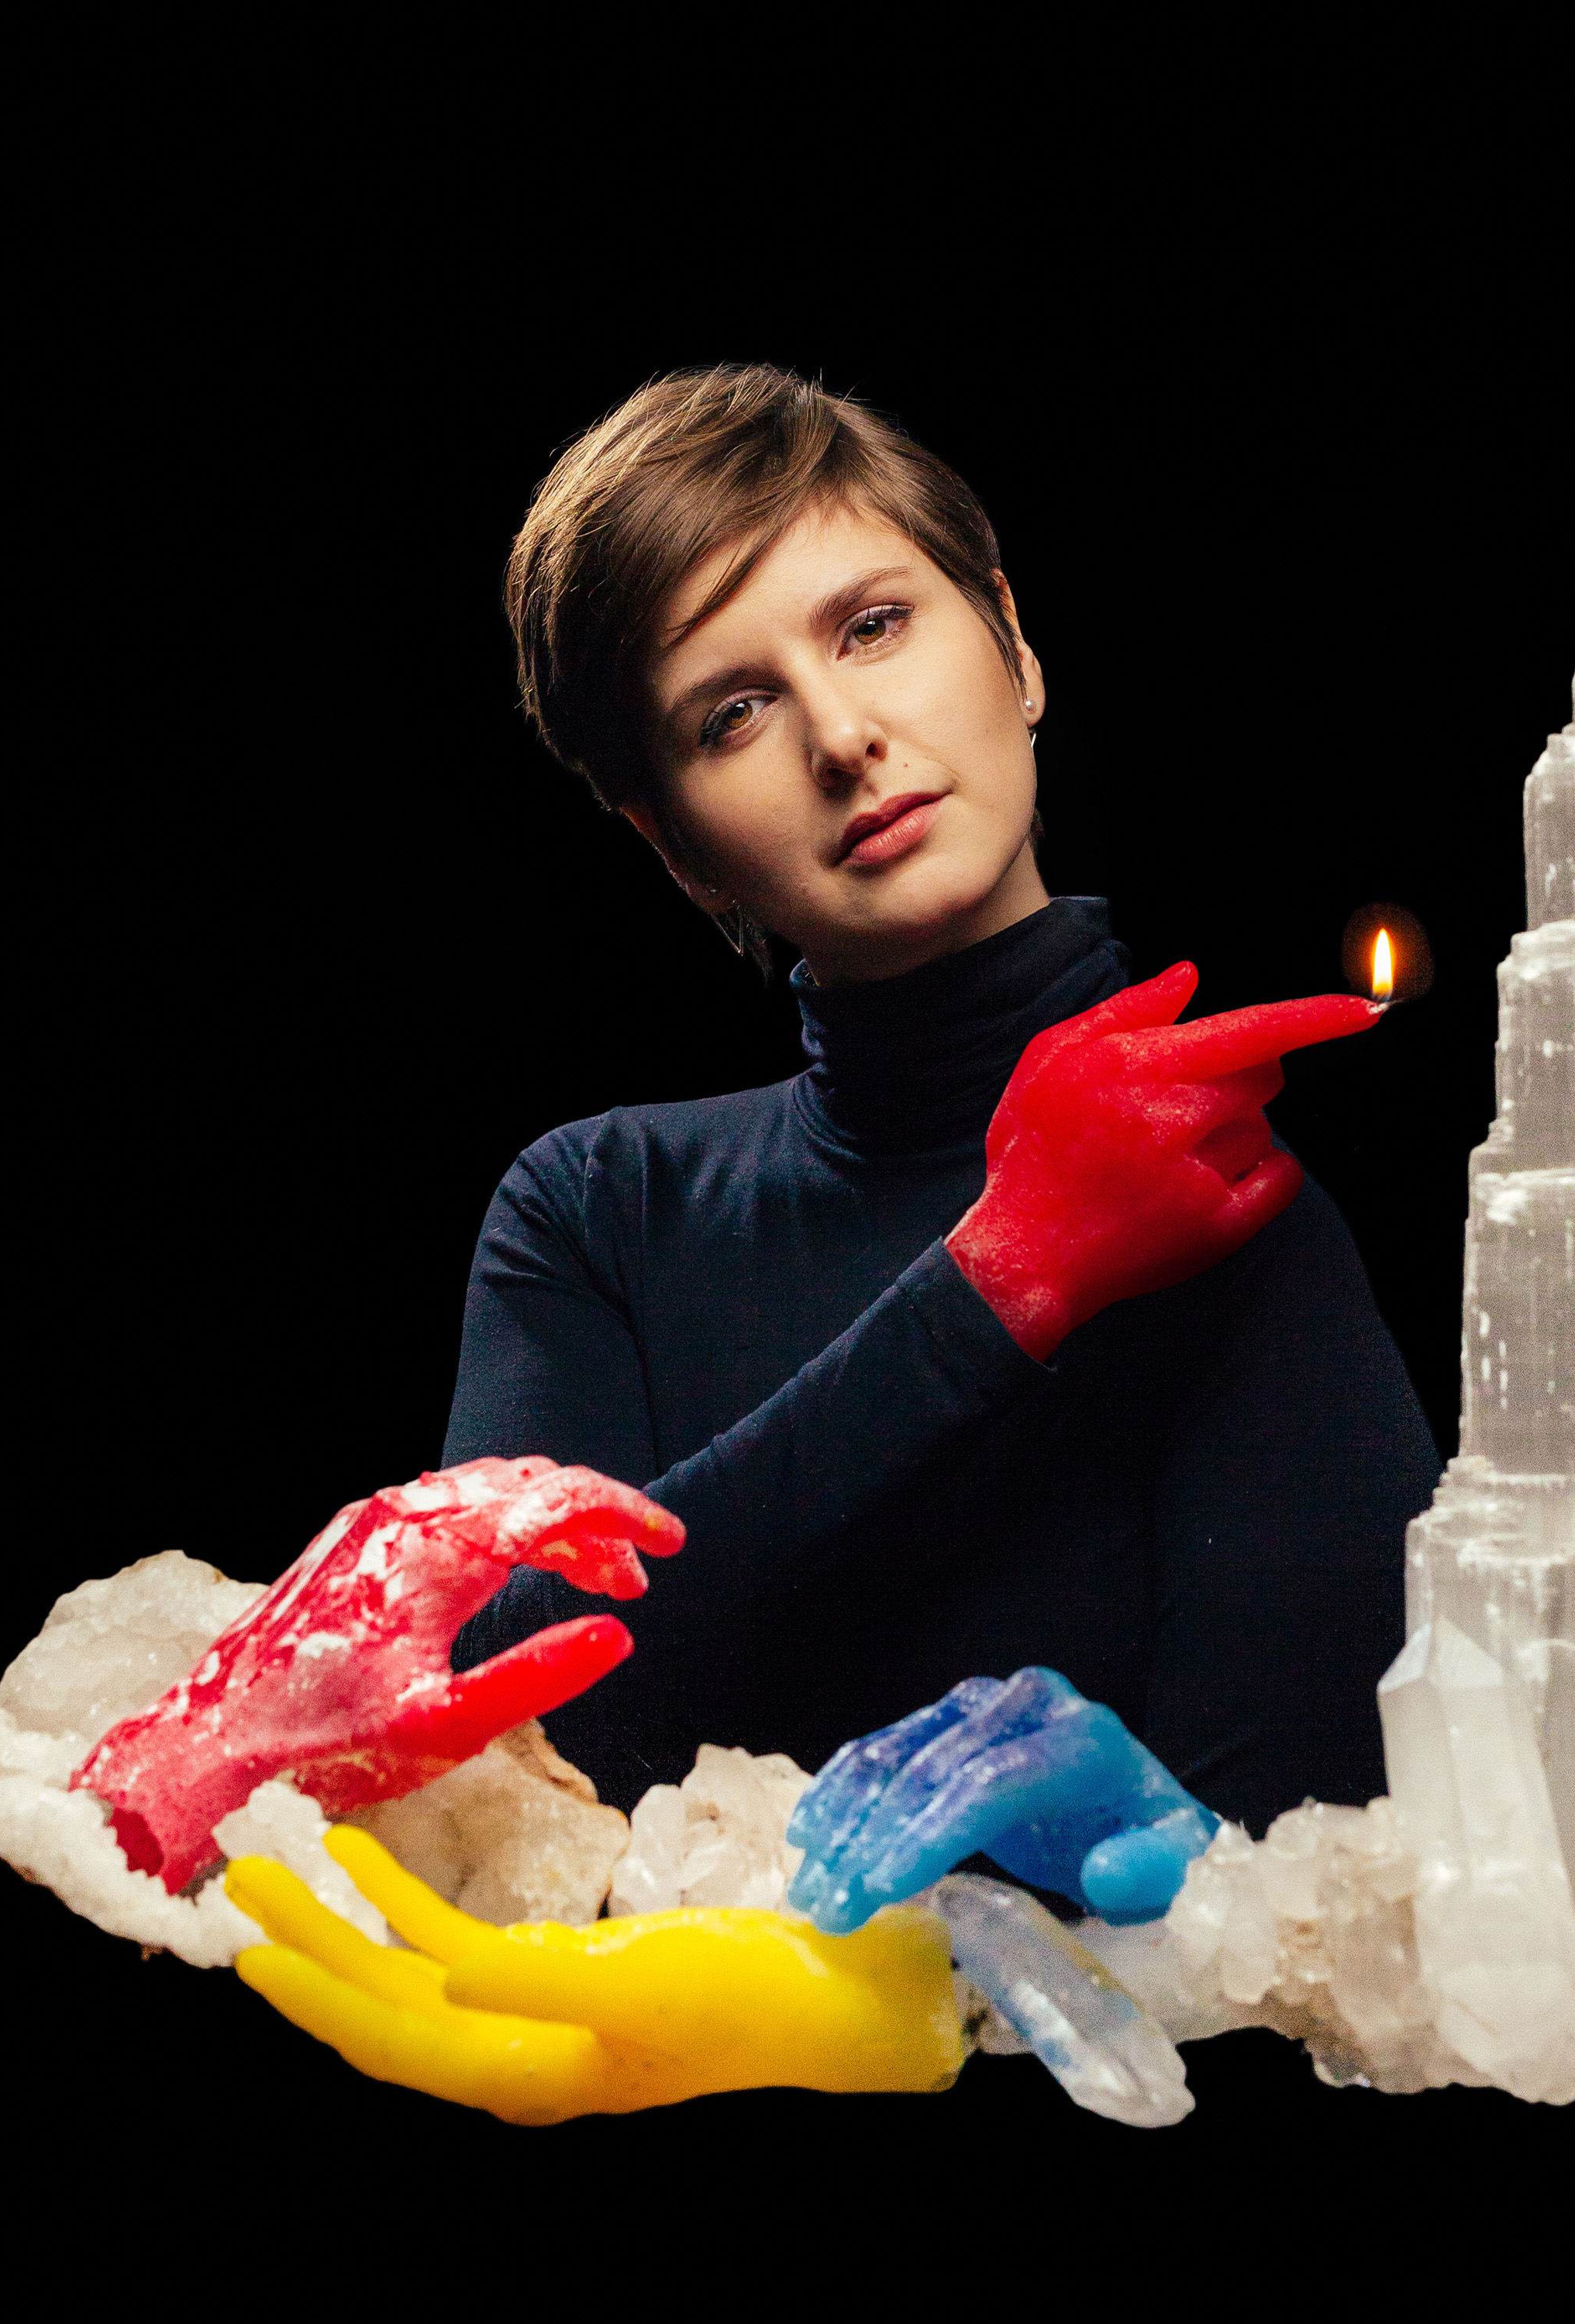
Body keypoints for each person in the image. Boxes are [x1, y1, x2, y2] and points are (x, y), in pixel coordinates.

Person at [446, 364, 1442, 1839]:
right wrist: (995, 1281)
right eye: (732, 712)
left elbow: (1304, 1885)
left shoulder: (1228, 1209)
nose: (842, 735)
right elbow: (491, 1725)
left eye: (872, 626)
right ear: (676, 850)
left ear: (1013, 645)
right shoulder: (594, 1212)